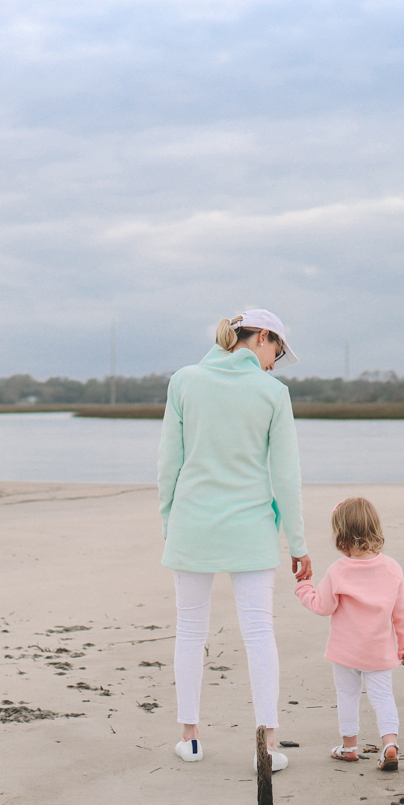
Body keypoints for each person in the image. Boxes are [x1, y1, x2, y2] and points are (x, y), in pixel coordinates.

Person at [158, 309, 309, 772]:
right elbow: (286, 477)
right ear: (262, 337)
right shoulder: (272, 394)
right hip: (251, 528)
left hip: (192, 525)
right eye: (276, 352)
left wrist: (171, 524)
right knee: (259, 632)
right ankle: (267, 743)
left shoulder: (184, 381)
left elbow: (169, 464)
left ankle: (192, 739)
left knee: (190, 630)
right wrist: (298, 544)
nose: (274, 363)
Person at [294, 496, 404, 772]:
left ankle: (349, 747)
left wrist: (303, 586)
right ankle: (389, 744)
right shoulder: (391, 569)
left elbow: (322, 606)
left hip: (346, 651)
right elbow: (403, 612)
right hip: (379, 651)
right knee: (383, 696)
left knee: (347, 695)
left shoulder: (338, 571)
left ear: (341, 537)